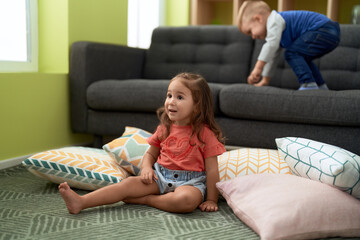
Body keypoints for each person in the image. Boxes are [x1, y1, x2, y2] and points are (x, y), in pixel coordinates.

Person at [59, 72, 226, 214]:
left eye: (179, 97)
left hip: (190, 182)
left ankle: (147, 200)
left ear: (197, 106)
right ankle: (81, 202)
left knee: (186, 201)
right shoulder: (165, 128)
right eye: (169, 95)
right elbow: (151, 154)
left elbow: (212, 170)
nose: (171, 101)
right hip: (160, 176)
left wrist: (212, 199)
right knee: (127, 184)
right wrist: (146, 167)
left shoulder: (205, 134)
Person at [237, 0, 340, 90]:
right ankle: (320, 86)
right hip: (331, 33)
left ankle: (308, 84)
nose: (253, 37)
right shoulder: (277, 35)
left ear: (258, 19)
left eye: (250, 31)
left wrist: (258, 67)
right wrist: (265, 80)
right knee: (303, 59)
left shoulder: (274, 20)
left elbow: (270, 45)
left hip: (322, 29)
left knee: (291, 53)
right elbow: (272, 57)